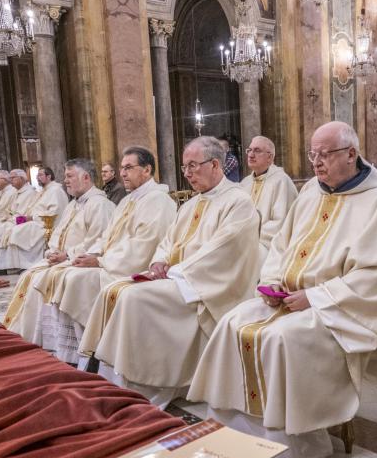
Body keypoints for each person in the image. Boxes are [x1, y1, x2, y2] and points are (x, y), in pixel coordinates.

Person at [188, 121, 377, 458]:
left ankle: (291, 447)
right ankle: (234, 431)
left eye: (325, 154)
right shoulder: (310, 191)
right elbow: (280, 246)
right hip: (289, 298)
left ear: (351, 154)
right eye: (313, 154)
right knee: (232, 322)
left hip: (338, 310)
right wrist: (274, 282)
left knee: (280, 338)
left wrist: (316, 296)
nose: (316, 162)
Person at [77, 136, 259, 406]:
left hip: (209, 288)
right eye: (185, 167)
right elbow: (167, 241)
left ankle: (147, 385)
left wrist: (176, 271)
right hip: (179, 278)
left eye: (193, 166)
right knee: (114, 289)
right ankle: (112, 378)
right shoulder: (191, 204)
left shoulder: (238, 202)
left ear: (215, 164)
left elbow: (223, 251)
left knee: (133, 297)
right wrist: (159, 261)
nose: (187, 174)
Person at [34, 147, 177, 364]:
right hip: (112, 262)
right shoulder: (129, 200)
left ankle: (90, 351)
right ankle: (72, 350)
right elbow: (107, 236)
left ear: (147, 170)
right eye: (122, 168)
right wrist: (87, 255)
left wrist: (100, 261)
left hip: (131, 267)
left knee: (74, 279)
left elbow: (143, 246)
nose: (123, 173)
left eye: (129, 168)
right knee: (66, 273)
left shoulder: (158, 200)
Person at [3, 158, 117, 342]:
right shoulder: (73, 204)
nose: (66, 180)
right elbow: (57, 233)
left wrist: (67, 255)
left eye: (70, 176)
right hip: (63, 259)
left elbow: (98, 240)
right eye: (65, 176)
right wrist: (53, 251)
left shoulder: (100, 204)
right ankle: (33, 336)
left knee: (41, 279)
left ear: (86, 177)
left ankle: (58, 342)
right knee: (28, 275)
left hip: (80, 261)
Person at [0, 167, 69, 270]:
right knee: (12, 229)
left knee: (16, 231)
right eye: (37, 175)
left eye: (40, 175)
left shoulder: (55, 190)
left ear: (49, 176)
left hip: (46, 224)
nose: (37, 177)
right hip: (36, 221)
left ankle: (24, 264)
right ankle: (11, 265)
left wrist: (32, 217)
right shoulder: (44, 190)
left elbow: (54, 213)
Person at [239, 135, 298, 265]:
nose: (251, 155)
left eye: (257, 150)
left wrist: (249, 234)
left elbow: (282, 222)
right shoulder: (245, 183)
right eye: (249, 150)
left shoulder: (281, 181)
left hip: (268, 244)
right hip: (244, 239)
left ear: (270, 157)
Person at [0, 169, 36, 267]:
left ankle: (2, 264)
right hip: (10, 219)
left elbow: (22, 214)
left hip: (19, 221)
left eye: (13, 178)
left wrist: (5, 219)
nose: (10, 180)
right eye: (10, 178)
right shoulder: (17, 192)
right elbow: (8, 210)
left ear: (21, 178)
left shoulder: (28, 192)